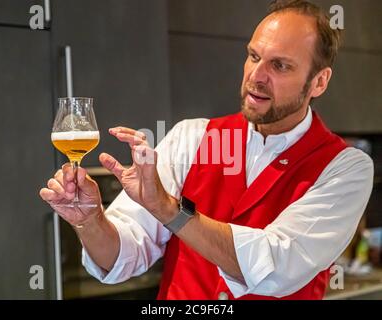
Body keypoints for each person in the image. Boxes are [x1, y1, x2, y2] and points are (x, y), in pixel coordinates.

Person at [40, 0, 374, 300]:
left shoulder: (344, 168)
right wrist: (91, 222)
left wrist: (171, 211)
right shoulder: (193, 137)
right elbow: (124, 254)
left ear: (319, 81)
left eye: (280, 66)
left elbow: (276, 266)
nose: (256, 76)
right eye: (254, 56)